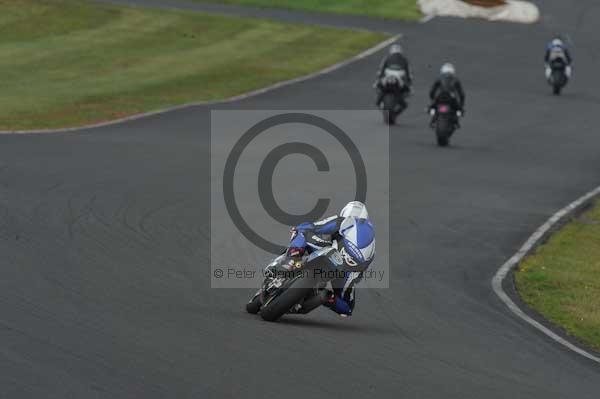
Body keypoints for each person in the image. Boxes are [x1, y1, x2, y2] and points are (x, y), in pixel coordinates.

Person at [278, 201, 375, 317]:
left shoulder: (344, 220)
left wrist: (298, 228)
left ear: (346, 212)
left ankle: (291, 259)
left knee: (303, 233)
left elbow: (317, 227)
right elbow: (361, 271)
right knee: (347, 308)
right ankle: (328, 298)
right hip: (347, 270)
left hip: (331, 254)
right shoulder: (371, 241)